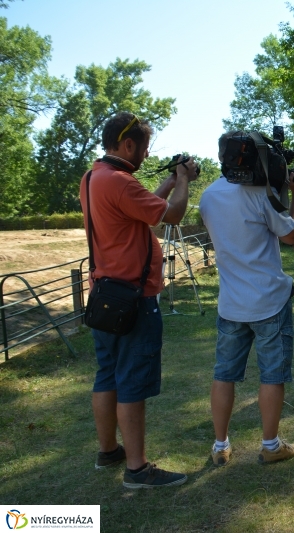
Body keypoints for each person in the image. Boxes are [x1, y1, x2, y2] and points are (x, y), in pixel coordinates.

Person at [80, 112, 198, 488]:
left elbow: (140, 211)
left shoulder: (93, 178)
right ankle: (137, 468)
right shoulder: (120, 182)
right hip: (134, 297)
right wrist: (182, 181)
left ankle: (108, 451)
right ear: (127, 144)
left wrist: (165, 182)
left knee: (108, 375)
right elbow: (172, 215)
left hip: (104, 295)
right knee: (131, 381)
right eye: (144, 149)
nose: (145, 156)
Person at [200, 132, 294, 467]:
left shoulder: (208, 197)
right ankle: (271, 444)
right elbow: (290, 235)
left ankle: (220, 446)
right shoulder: (260, 193)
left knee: (224, 373)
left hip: (231, 302)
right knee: (271, 374)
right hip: (268, 301)